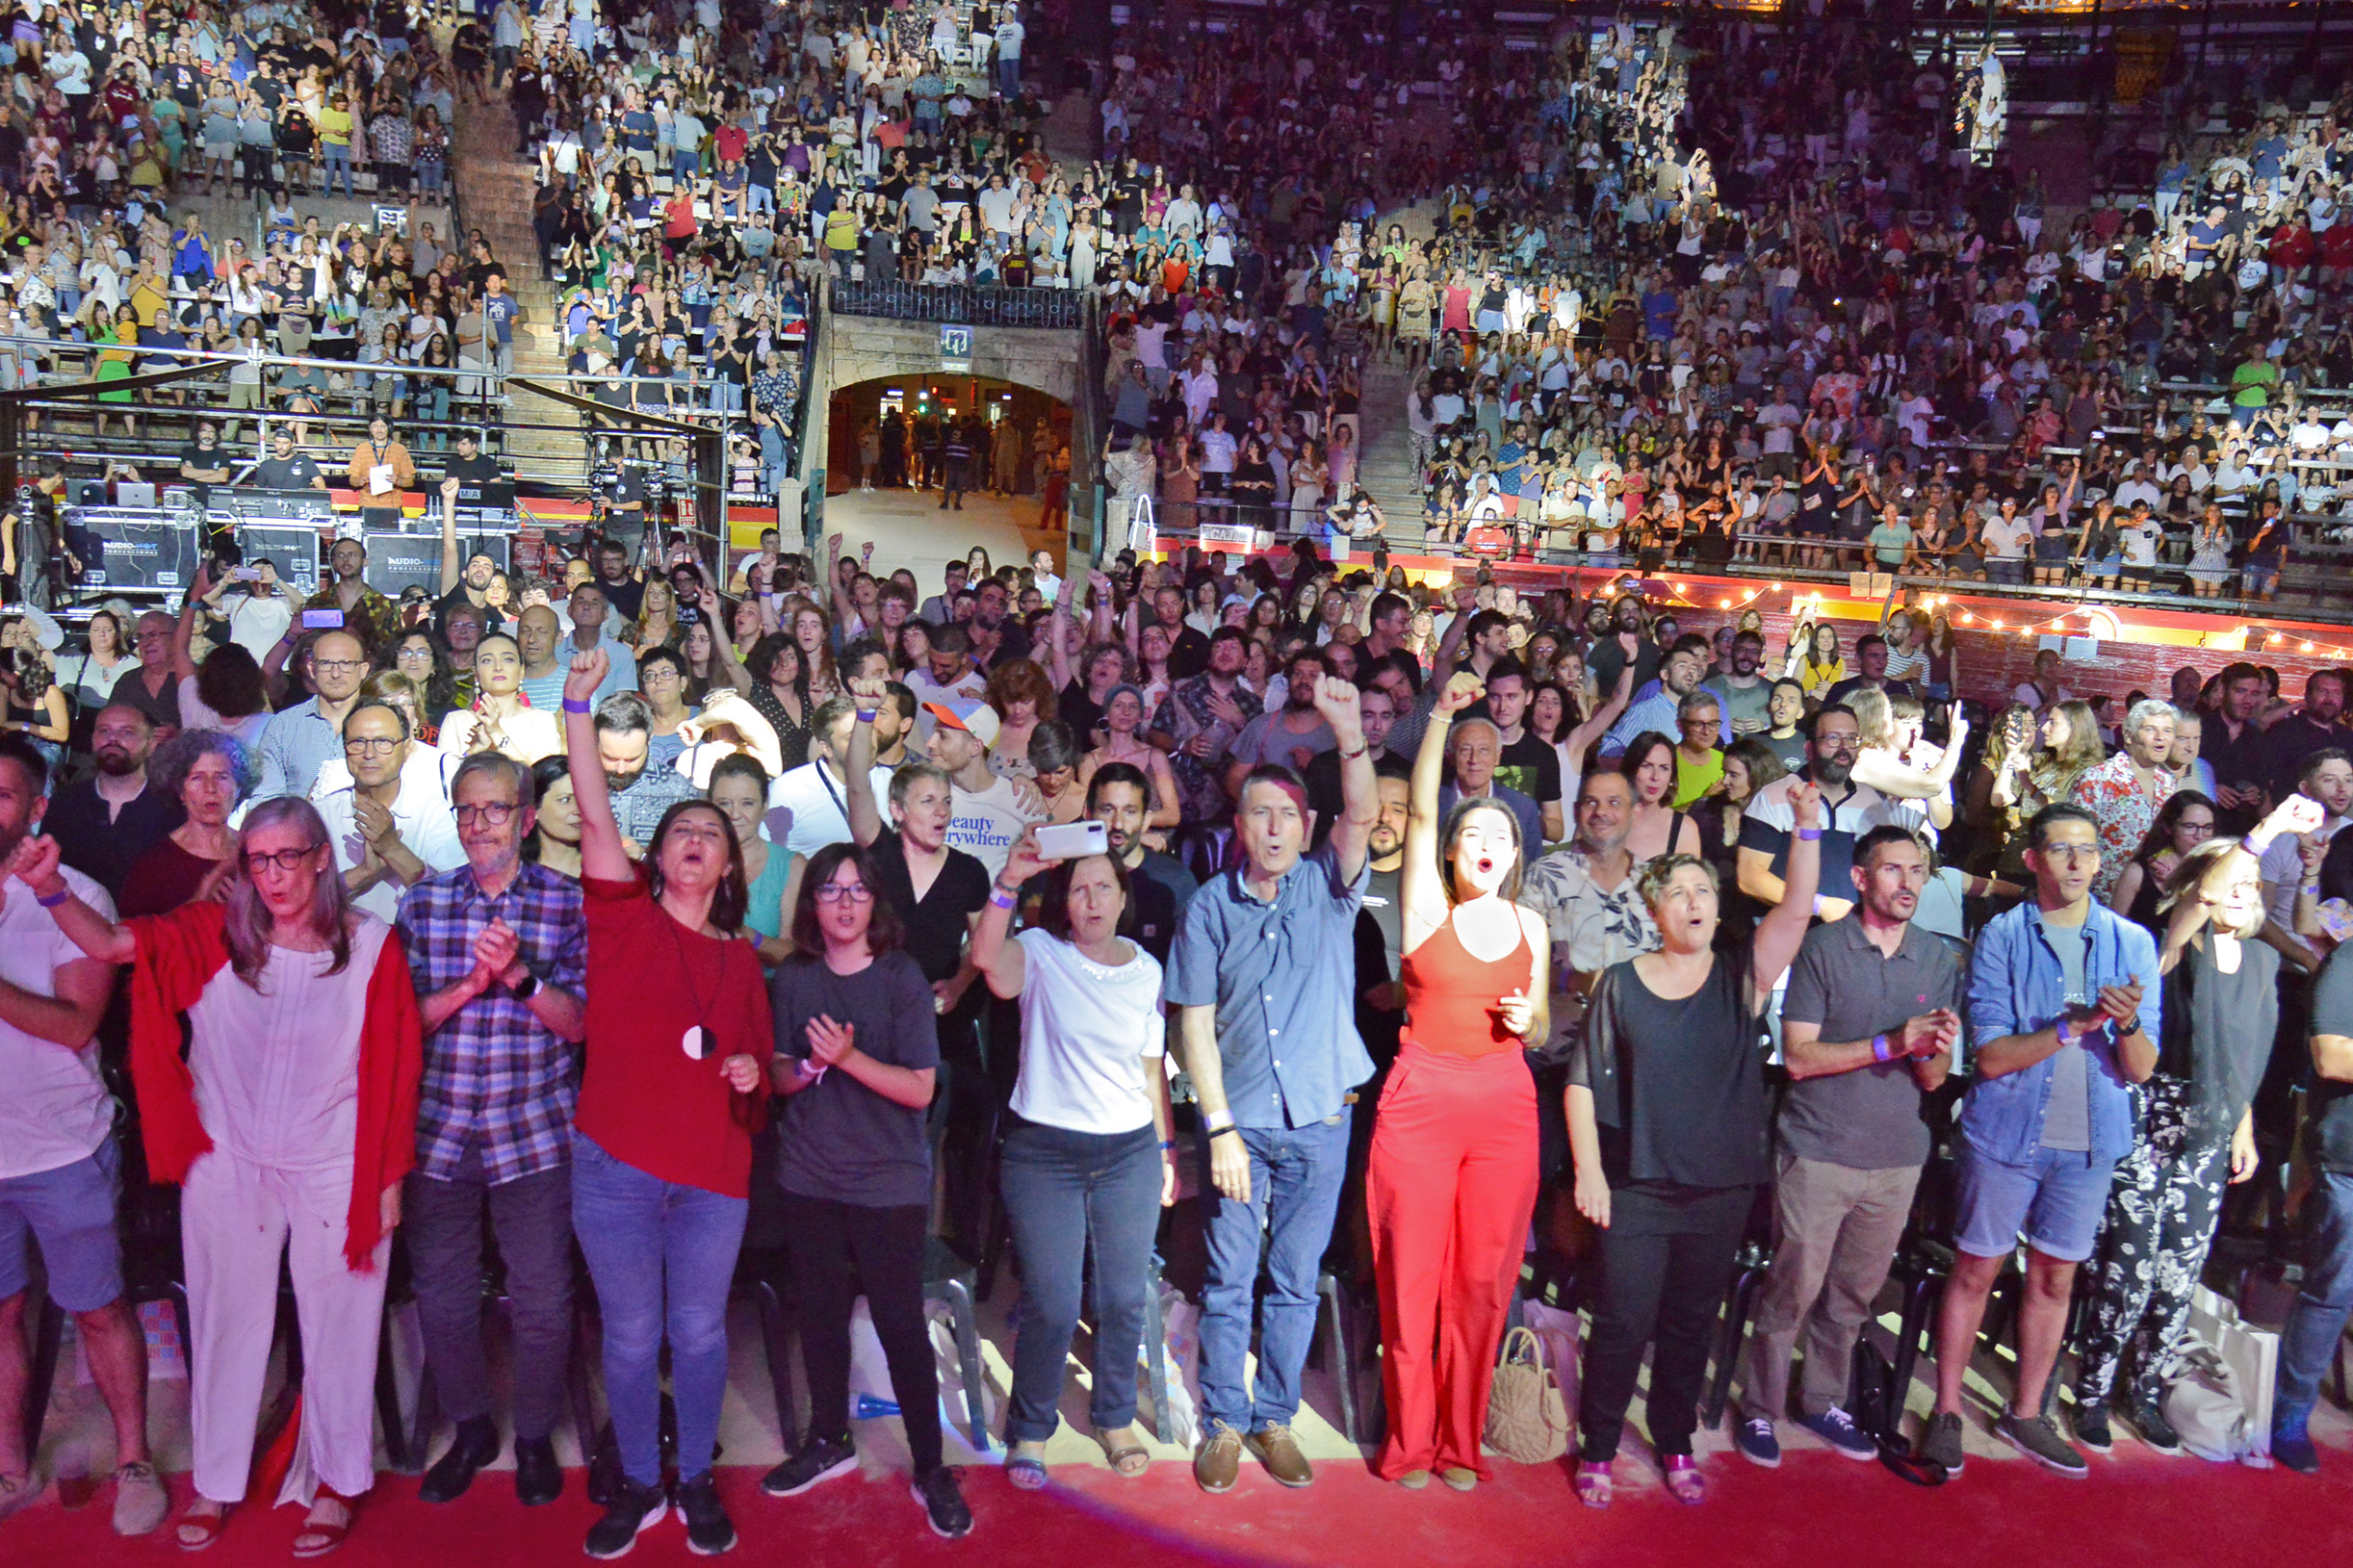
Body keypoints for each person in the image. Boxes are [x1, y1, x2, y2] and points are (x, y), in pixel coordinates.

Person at [13, 795, 422, 1555]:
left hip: (335, 1159)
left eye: (288, 856)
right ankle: (218, 1477)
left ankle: (335, 1481)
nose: (271, 875)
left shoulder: (371, 944)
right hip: (229, 1156)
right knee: (227, 1318)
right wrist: (50, 889)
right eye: (256, 860)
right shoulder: (212, 932)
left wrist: (388, 1177)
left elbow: (398, 1066)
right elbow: (106, 944)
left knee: (343, 1323)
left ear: (323, 856)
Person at [557, 647, 773, 1559]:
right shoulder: (622, 916)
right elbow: (594, 809)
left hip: (713, 1173)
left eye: (711, 833)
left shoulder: (744, 958)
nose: (694, 839)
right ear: (658, 855)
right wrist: (576, 704)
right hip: (614, 1162)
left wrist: (754, 1076)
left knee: (697, 1329)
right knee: (634, 1331)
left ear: (729, 863)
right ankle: (641, 1480)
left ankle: (693, 1481)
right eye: (682, 829)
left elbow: (764, 1068)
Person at [1566, 779, 1824, 1506]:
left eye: (1701, 889)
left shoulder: (1743, 975)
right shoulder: (1619, 982)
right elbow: (1581, 1082)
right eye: (1677, 890)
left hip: (1720, 1186)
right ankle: (1597, 1445)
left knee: (1689, 1326)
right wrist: (1589, 1168)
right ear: (1655, 910)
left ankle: (1675, 1439)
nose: (1693, 901)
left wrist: (1806, 828)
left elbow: (1798, 908)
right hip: (1637, 1186)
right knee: (1621, 1322)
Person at [1169, 675, 1377, 1493]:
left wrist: (1348, 725)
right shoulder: (1209, 908)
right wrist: (1215, 1126)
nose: (1276, 826)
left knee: (1293, 1279)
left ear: (1308, 827)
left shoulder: (1331, 884)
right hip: (1241, 1126)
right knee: (1228, 1280)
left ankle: (1274, 1417)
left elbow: (1362, 812)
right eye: (1261, 812)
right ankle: (1222, 1420)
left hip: (1322, 1121)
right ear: (1240, 824)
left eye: (1289, 814)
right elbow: (1192, 1025)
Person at [1921, 803, 2161, 1480]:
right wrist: (2071, 1025)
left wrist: (2129, 1021)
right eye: (2062, 849)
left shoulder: (2132, 942)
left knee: (2056, 1276)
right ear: (2033, 859)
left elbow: (2141, 1066)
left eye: (2089, 850)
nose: (2079, 862)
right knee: (1977, 1268)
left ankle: (2026, 1410)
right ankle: (1944, 1409)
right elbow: (1991, 1058)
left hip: (2088, 1140)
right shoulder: (2002, 935)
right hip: (2007, 1130)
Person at [2075, 805, 2316, 1454]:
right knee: (2127, 1267)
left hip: (2213, 1124)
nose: (2241, 896)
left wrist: (2241, 1126)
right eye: (2231, 884)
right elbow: (2199, 903)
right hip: (2151, 1115)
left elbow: (2243, 1057)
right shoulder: (2172, 943)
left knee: (2179, 1276)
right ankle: (2093, 1389)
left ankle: (2144, 1389)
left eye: (2251, 887)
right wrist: (2262, 836)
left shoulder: (2264, 965)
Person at [758, 841, 972, 1540]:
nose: (845, 901)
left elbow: (919, 1088)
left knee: (898, 1321)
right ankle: (828, 1438)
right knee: (817, 1313)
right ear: (812, 903)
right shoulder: (793, 976)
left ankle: (931, 1465)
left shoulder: (902, 977)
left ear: (875, 901)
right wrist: (815, 1069)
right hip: (809, 1173)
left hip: (887, 1180)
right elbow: (779, 1075)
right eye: (830, 889)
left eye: (856, 889)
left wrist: (848, 1058)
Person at [1368, 671, 1549, 1489]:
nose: (1485, 843)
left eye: (1500, 838)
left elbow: (1539, 1024)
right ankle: (1409, 1440)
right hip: (1422, 1102)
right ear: (1449, 848)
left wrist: (1527, 1023)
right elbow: (1423, 802)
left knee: (1481, 1282)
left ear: (1515, 856)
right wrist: (1440, 716)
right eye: (1472, 833)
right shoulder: (1425, 910)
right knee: (1411, 1278)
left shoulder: (1532, 926)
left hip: (1506, 1107)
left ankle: (1460, 1441)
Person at [1733, 825, 1961, 1468]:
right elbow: (1799, 1059)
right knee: (1793, 1287)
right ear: (1861, 878)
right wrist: (1892, 1042)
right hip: (1820, 1147)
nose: (1908, 882)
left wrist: (1934, 1050)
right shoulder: (1824, 949)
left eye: (1917, 870)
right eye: (1893, 869)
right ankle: (1759, 1407)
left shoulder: (1937, 957)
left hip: (1896, 1156)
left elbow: (1936, 1078)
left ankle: (1822, 1398)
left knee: (1853, 1296)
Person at [396, 754, 589, 1509]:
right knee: (442, 1295)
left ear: (528, 818)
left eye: (495, 810)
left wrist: (520, 980)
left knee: (541, 1293)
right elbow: (398, 1027)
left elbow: (581, 1026)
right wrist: (469, 987)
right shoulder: (424, 905)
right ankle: (472, 1429)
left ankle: (535, 1433)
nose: (479, 825)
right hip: (438, 1128)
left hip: (534, 1129)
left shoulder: (566, 905)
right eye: (466, 811)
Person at [971, 825, 1176, 1489]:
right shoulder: (1037, 952)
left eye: (1104, 887)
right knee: (1054, 1302)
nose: (1091, 899)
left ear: (1123, 898)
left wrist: (1166, 1148)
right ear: (1065, 899)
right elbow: (985, 963)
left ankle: (1113, 1416)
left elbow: (1150, 1071)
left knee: (1120, 1296)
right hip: (1043, 1155)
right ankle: (1031, 1425)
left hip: (1129, 1152)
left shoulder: (1147, 971)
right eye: (1080, 888)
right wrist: (1009, 881)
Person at [0, 737, 169, 1535]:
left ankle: (133, 1455)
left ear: (35, 809)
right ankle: (9, 1462)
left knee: (98, 1310)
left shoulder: (77, 898)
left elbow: (76, 1027)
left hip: (61, 1147)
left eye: (2, 794)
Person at [2277, 929, 2353, 1474]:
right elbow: (2330, 1057)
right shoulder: (2347, 962)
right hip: (2349, 1158)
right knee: (2331, 1292)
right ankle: (2289, 1415)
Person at [313, 698, 465, 920]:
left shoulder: (434, 814)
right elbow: (297, 898)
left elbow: (458, 898)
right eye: (357, 742)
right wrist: (361, 874)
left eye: (383, 742)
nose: (369, 754)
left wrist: (394, 850)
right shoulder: (319, 816)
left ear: (406, 749)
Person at [43, 703, 181, 899]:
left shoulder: (173, 810)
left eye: (127, 732)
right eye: (104, 731)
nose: (113, 739)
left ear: (151, 745)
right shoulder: (65, 803)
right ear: (93, 740)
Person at [118, 730, 254, 916]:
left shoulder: (256, 854)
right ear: (180, 790)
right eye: (197, 777)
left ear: (239, 787)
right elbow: (131, 936)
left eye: (222, 777)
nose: (210, 788)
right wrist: (198, 903)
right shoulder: (154, 863)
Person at [2068, 699, 2180, 904]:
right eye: (2150, 729)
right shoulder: (2097, 779)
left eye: (2167, 731)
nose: (2160, 738)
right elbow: (2071, 842)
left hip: (2150, 903)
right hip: (2098, 902)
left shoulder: (2169, 784)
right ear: (2129, 736)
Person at [252, 630, 371, 800]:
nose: (336, 674)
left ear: (363, 670)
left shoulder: (383, 724)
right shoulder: (284, 726)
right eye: (326, 664)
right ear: (312, 669)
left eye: (346, 664)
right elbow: (265, 799)